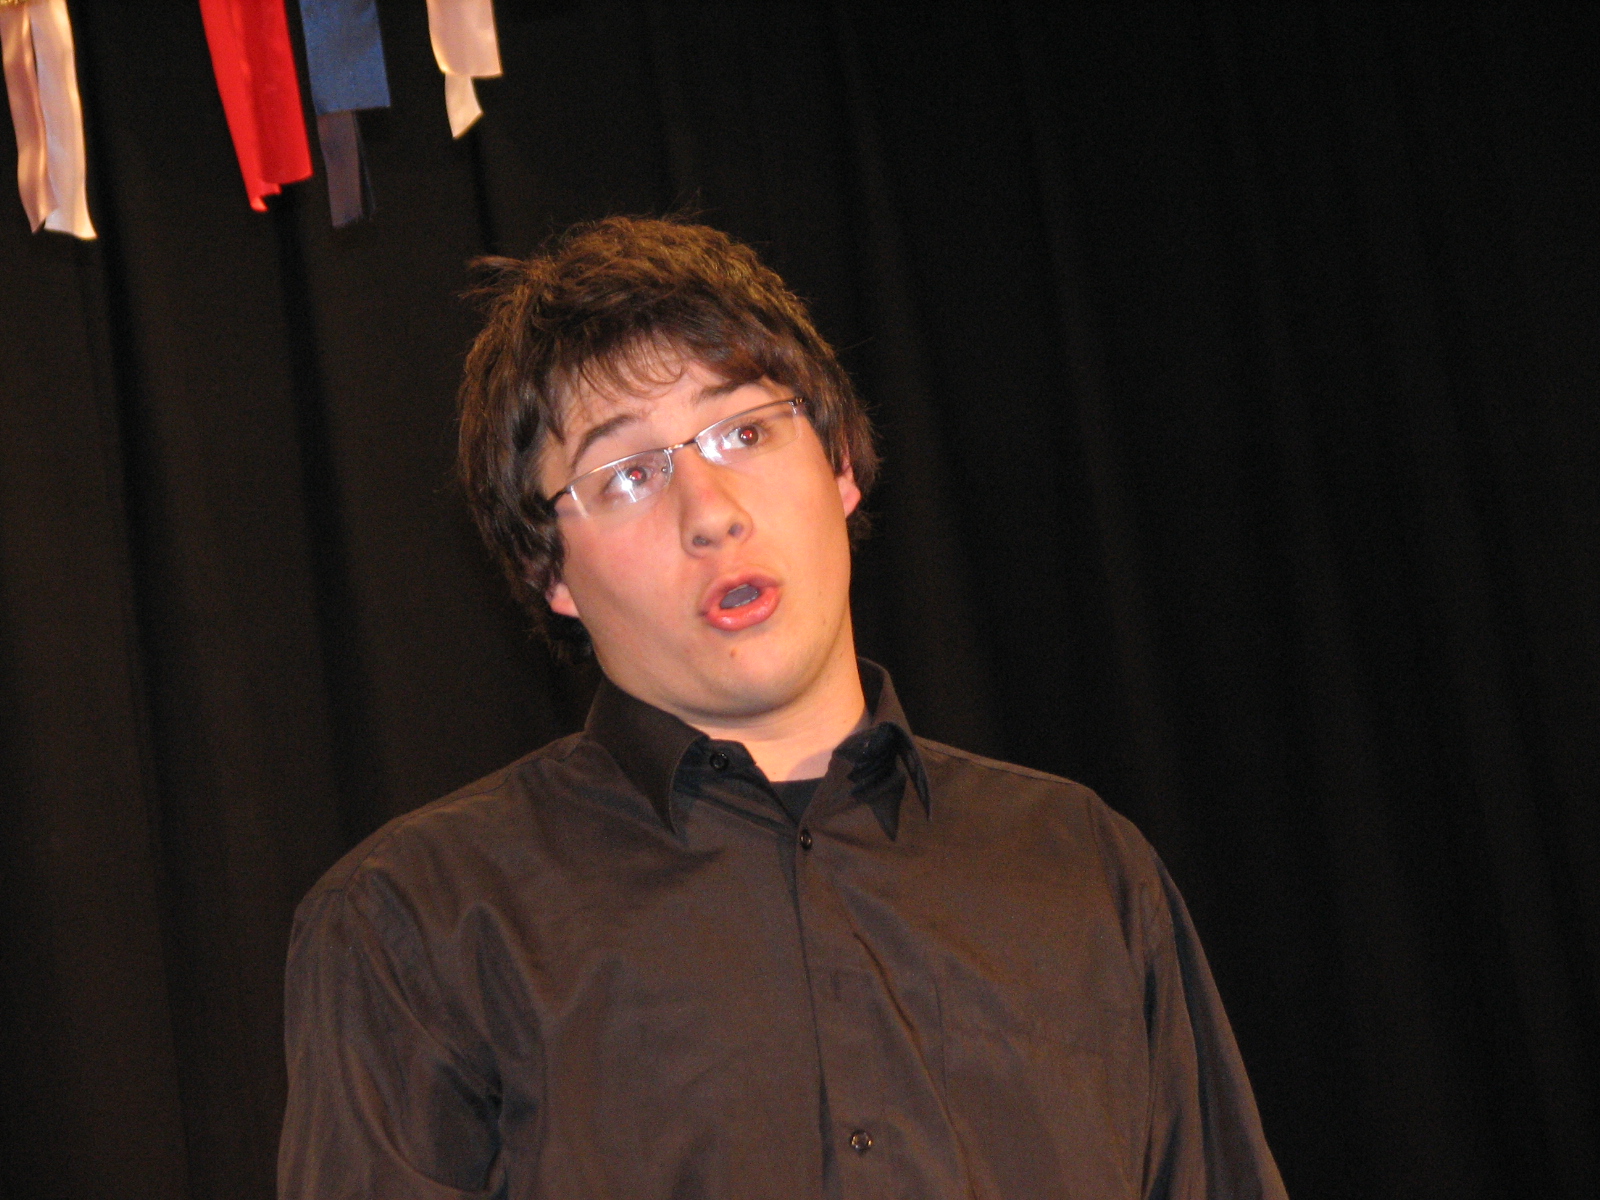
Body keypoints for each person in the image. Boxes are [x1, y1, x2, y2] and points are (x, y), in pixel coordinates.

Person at [277, 216, 1289, 1199]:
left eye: (746, 431)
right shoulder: (417, 920)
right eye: (627, 475)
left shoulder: (1081, 864)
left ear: (840, 464)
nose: (712, 513)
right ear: (551, 573)